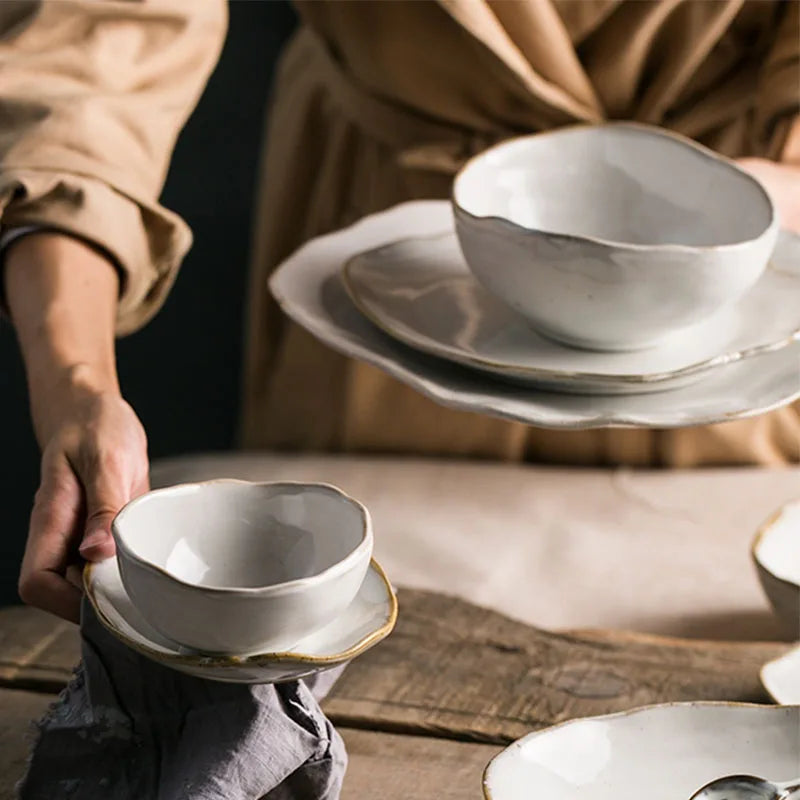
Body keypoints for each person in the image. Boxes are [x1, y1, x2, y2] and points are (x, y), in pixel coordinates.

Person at [2, 0, 799, 623]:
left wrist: (709, 217)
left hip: (727, 283)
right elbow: (87, 70)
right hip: (387, 274)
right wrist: (78, 388)